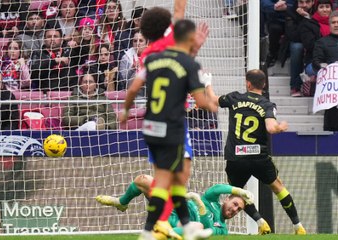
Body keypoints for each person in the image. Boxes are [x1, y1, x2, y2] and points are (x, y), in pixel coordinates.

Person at [119, 19, 218, 240]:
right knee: (176, 179)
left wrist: (125, 111)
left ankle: (158, 229)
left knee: (165, 180)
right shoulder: (189, 64)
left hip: (152, 126)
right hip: (173, 127)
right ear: (189, 39)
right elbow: (202, 103)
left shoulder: (151, 59)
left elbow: (134, 88)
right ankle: (168, 227)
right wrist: (213, 102)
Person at [206, 69, 307, 235]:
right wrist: (280, 127)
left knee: (238, 193)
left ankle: (261, 223)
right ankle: (298, 226)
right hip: (259, 157)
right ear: (264, 84)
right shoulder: (266, 104)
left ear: (248, 83)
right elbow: (270, 127)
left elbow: (213, 99)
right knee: (278, 188)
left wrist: (207, 83)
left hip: (236, 157)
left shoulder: (235, 97)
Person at [95, 174, 254, 237]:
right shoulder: (211, 199)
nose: (234, 209)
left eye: (239, 209)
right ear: (226, 200)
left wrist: (199, 204)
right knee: (144, 180)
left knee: (197, 226)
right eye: (234, 204)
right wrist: (239, 190)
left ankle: (162, 234)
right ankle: (121, 203)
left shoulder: (223, 229)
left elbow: (207, 228)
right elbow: (217, 188)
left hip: (178, 223)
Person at [312, 10, 338, 131]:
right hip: (331, 89)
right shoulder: (322, 42)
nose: (336, 25)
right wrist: (324, 66)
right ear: (329, 24)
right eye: (333, 22)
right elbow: (316, 62)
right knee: (332, 123)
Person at [285, 0, 314, 97]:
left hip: (315, 42)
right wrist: (305, 18)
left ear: (313, 2)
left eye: (307, 2)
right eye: (301, 2)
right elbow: (293, 35)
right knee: (297, 47)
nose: (304, 5)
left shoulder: (318, 10)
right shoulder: (291, 12)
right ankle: (295, 86)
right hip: (299, 41)